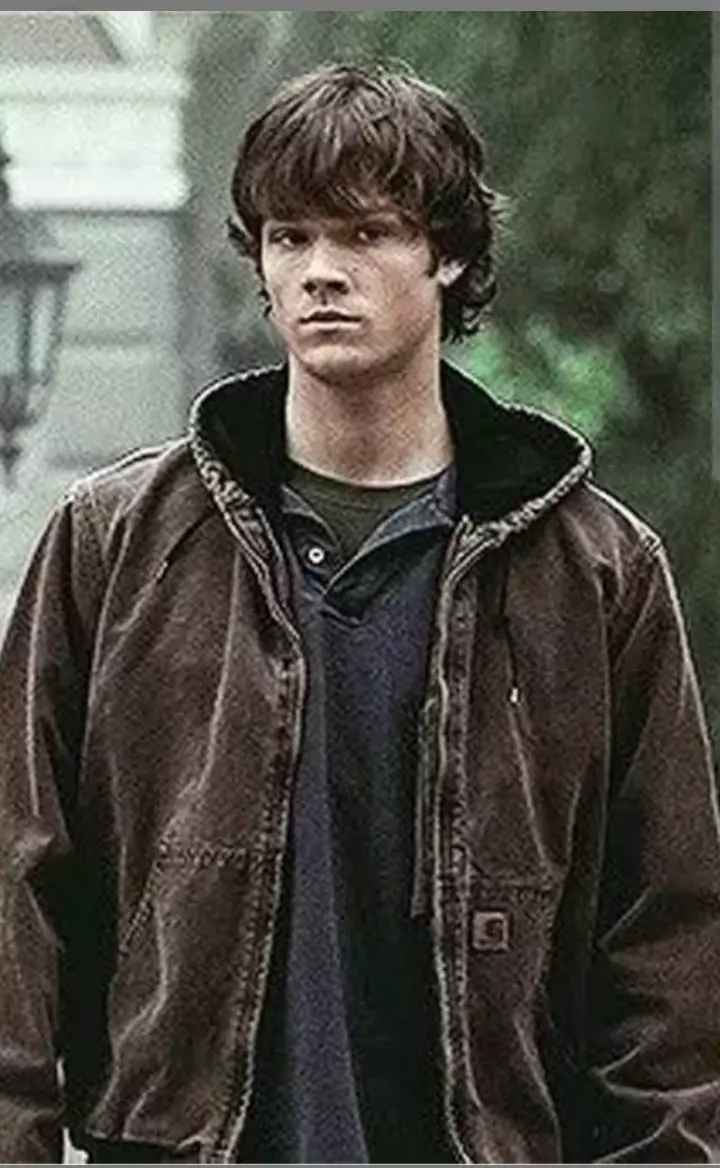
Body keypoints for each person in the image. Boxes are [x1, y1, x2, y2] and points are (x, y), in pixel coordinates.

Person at [0, 61, 719, 1166]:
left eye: (367, 233)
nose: (321, 273)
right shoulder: (118, 545)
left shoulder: (596, 572)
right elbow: (17, 887)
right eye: (289, 238)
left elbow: (667, 950)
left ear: (450, 253)